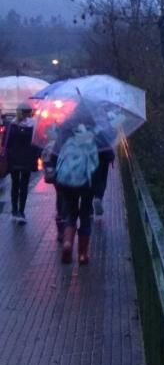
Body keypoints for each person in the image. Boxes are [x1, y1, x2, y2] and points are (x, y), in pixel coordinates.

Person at [50, 107, 104, 265]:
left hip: (67, 182)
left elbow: (55, 154)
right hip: (88, 182)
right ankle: (82, 255)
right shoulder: (96, 131)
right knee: (85, 215)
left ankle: (67, 244)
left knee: (70, 214)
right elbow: (106, 155)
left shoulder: (66, 129)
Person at [1, 103, 40, 223]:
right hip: (26, 159)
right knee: (22, 186)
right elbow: (37, 143)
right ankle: (20, 212)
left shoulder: (11, 125)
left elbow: (5, 143)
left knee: (16, 185)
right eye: (29, 112)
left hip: (15, 159)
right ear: (26, 112)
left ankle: (16, 212)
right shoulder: (34, 125)